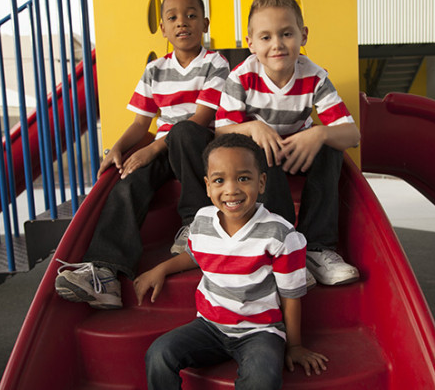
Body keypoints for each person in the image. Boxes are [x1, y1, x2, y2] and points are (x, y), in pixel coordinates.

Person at [54, 0, 230, 309]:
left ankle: (195, 225)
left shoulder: (215, 64)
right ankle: (105, 272)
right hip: (164, 148)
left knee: (185, 132)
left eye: (191, 16)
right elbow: (140, 125)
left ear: (205, 24)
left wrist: (150, 150)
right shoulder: (155, 70)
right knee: (127, 181)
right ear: (162, 27)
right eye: (173, 17)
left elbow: (203, 117)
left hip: (199, 149)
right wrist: (117, 149)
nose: (182, 23)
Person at [134, 133, 328, 389]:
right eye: (219, 180)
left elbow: (290, 296)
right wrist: (161, 269)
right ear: (207, 186)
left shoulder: (280, 234)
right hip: (209, 326)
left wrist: (295, 346)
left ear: (261, 183)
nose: (231, 189)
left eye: (243, 178)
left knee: (261, 379)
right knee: (159, 354)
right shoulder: (202, 221)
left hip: (260, 331)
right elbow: (195, 255)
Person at [215, 0, 361, 286]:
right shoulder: (241, 77)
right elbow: (222, 131)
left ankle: (317, 249)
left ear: (303, 35)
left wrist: (319, 133)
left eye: (286, 34)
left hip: (298, 151)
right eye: (266, 37)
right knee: (256, 150)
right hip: (262, 157)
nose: (277, 45)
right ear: (251, 44)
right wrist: (254, 127)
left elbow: (352, 135)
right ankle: (285, 248)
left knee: (332, 148)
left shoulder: (314, 77)